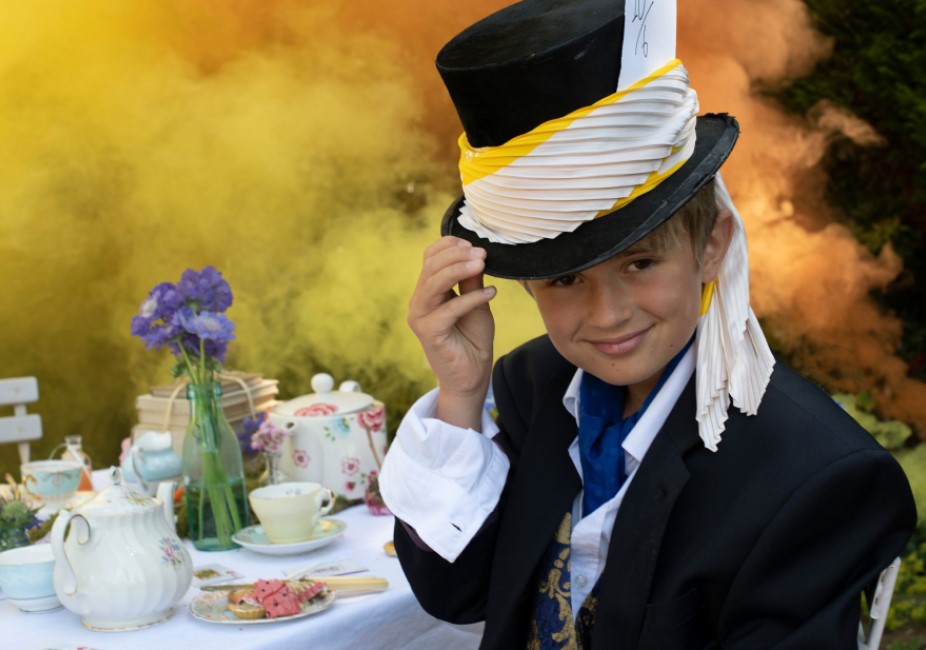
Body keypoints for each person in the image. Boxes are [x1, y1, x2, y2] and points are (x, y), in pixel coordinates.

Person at [378, 1, 917, 648]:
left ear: (711, 245)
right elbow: (456, 592)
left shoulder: (814, 478)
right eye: (566, 278)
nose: (607, 316)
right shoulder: (530, 385)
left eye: (639, 263)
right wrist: (461, 399)